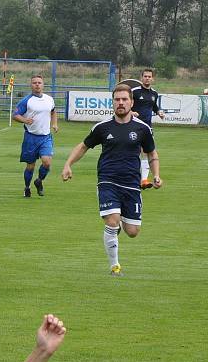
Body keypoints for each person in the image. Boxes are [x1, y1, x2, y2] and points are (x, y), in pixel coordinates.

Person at [61, 84, 162, 277]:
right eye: (117, 100)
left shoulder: (143, 129)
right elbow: (83, 146)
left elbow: (152, 153)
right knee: (112, 220)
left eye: (125, 99)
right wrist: (68, 164)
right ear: (113, 102)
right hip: (108, 181)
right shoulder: (102, 127)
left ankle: (118, 223)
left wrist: (156, 174)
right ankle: (115, 266)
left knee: (132, 231)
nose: (121, 103)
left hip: (132, 184)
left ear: (132, 103)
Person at [13, 75, 58, 198]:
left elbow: (53, 112)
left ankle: (39, 181)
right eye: (34, 83)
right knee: (30, 166)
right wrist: (24, 120)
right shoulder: (26, 101)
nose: (37, 84)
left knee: (47, 162)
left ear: (43, 84)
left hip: (45, 137)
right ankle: (27, 187)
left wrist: (54, 124)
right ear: (31, 85)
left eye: (39, 82)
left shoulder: (49, 99)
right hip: (31, 138)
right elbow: (15, 115)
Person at [130, 69, 165, 189]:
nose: (147, 78)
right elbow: (125, 105)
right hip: (133, 126)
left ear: (153, 79)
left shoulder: (154, 94)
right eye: (145, 76)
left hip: (148, 128)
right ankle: (133, 177)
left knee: (147, 152)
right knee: (134, 152)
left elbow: (154, 107)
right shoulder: (134, 92)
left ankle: (144, 180)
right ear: (141, 78)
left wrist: (159, 112)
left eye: (149, 76)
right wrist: (131, 112)